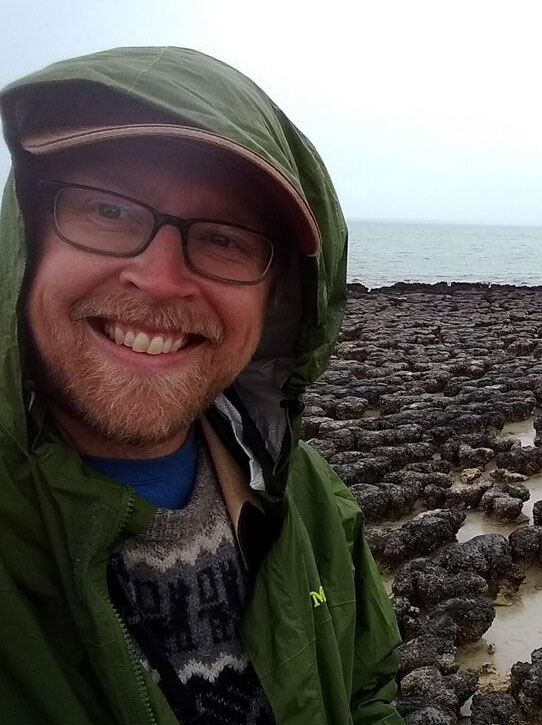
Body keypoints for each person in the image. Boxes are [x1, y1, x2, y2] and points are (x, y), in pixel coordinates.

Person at [0, 47, 403, 725]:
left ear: (278, 301)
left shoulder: (302, 496)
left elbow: (365, 691)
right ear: (26, 240)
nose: (158, 278)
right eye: (107, 208)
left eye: (224, 238)